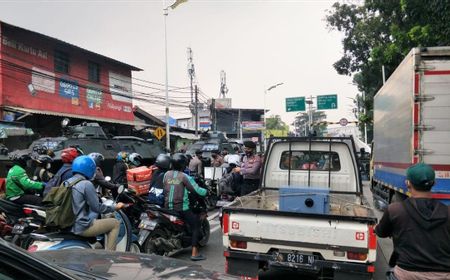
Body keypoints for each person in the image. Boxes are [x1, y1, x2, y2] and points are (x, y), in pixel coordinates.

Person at [375, 163, 450, 280]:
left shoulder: (395, 210)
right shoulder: (448, 212)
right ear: (434, 183)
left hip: (406, 274)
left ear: (408, 183)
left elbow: (381, 233)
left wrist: (377, 228)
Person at [70, 155, 125, 251]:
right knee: (115, 223)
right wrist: (115, 207)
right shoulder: (86, 184)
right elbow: (97, 208)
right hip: (81, 227)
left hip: (70, 225)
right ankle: (110, 257)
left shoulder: (68, 182)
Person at [163, 153, 207, 261]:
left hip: (167, 207)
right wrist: (206, 191)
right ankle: (194, 253)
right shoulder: (184, 176)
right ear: (183, 164)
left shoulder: (166, 174)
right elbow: (196, 190)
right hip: (181, 208)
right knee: (196, 225)